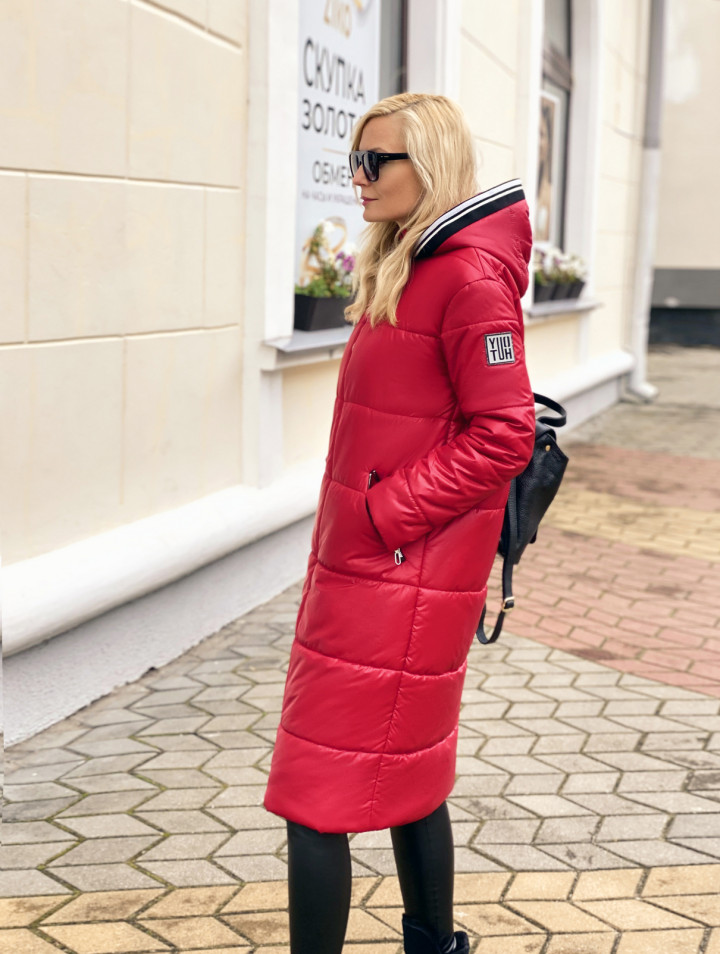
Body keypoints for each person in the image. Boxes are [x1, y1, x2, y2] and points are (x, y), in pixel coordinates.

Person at [264, 92, 536, 954]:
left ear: (431, 165)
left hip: (400, 571)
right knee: (405, 771)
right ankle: (435, 945)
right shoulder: (409, 264)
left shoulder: (468, 280)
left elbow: (506, 433)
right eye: (355, 158)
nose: (359, 176)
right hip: (377, 569)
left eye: (376, 160)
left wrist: (383, 514)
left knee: (316, 795)